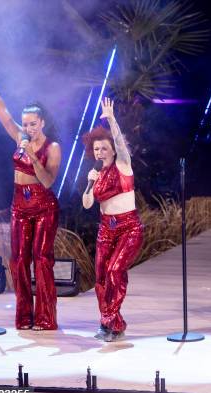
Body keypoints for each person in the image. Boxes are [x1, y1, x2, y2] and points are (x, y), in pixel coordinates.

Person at [0, 56, 61, 330]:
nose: (28, 128)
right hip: (19, 206)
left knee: (41, 259)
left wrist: (34, 158)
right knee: (19, 260)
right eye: (25, 123)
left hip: (43, 205)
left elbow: (48, 182)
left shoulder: (53, 147)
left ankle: (46, 318)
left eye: (33, 124)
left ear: (42, 123)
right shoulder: (19, 137)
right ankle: (24, 316)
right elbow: (1, 110)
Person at [82, 97, 144, 342]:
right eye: (96, 149)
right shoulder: (97, 173)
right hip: (106, 229)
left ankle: (114, 324)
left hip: (129, 228)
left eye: (104, 147)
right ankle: (108, 323)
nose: (100, 151)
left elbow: (119, 140)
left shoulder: (123, 164)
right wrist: (89, 184)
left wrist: (111, 118)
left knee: (114, 271)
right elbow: (87, 204)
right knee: (100, 277)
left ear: (112, 149)